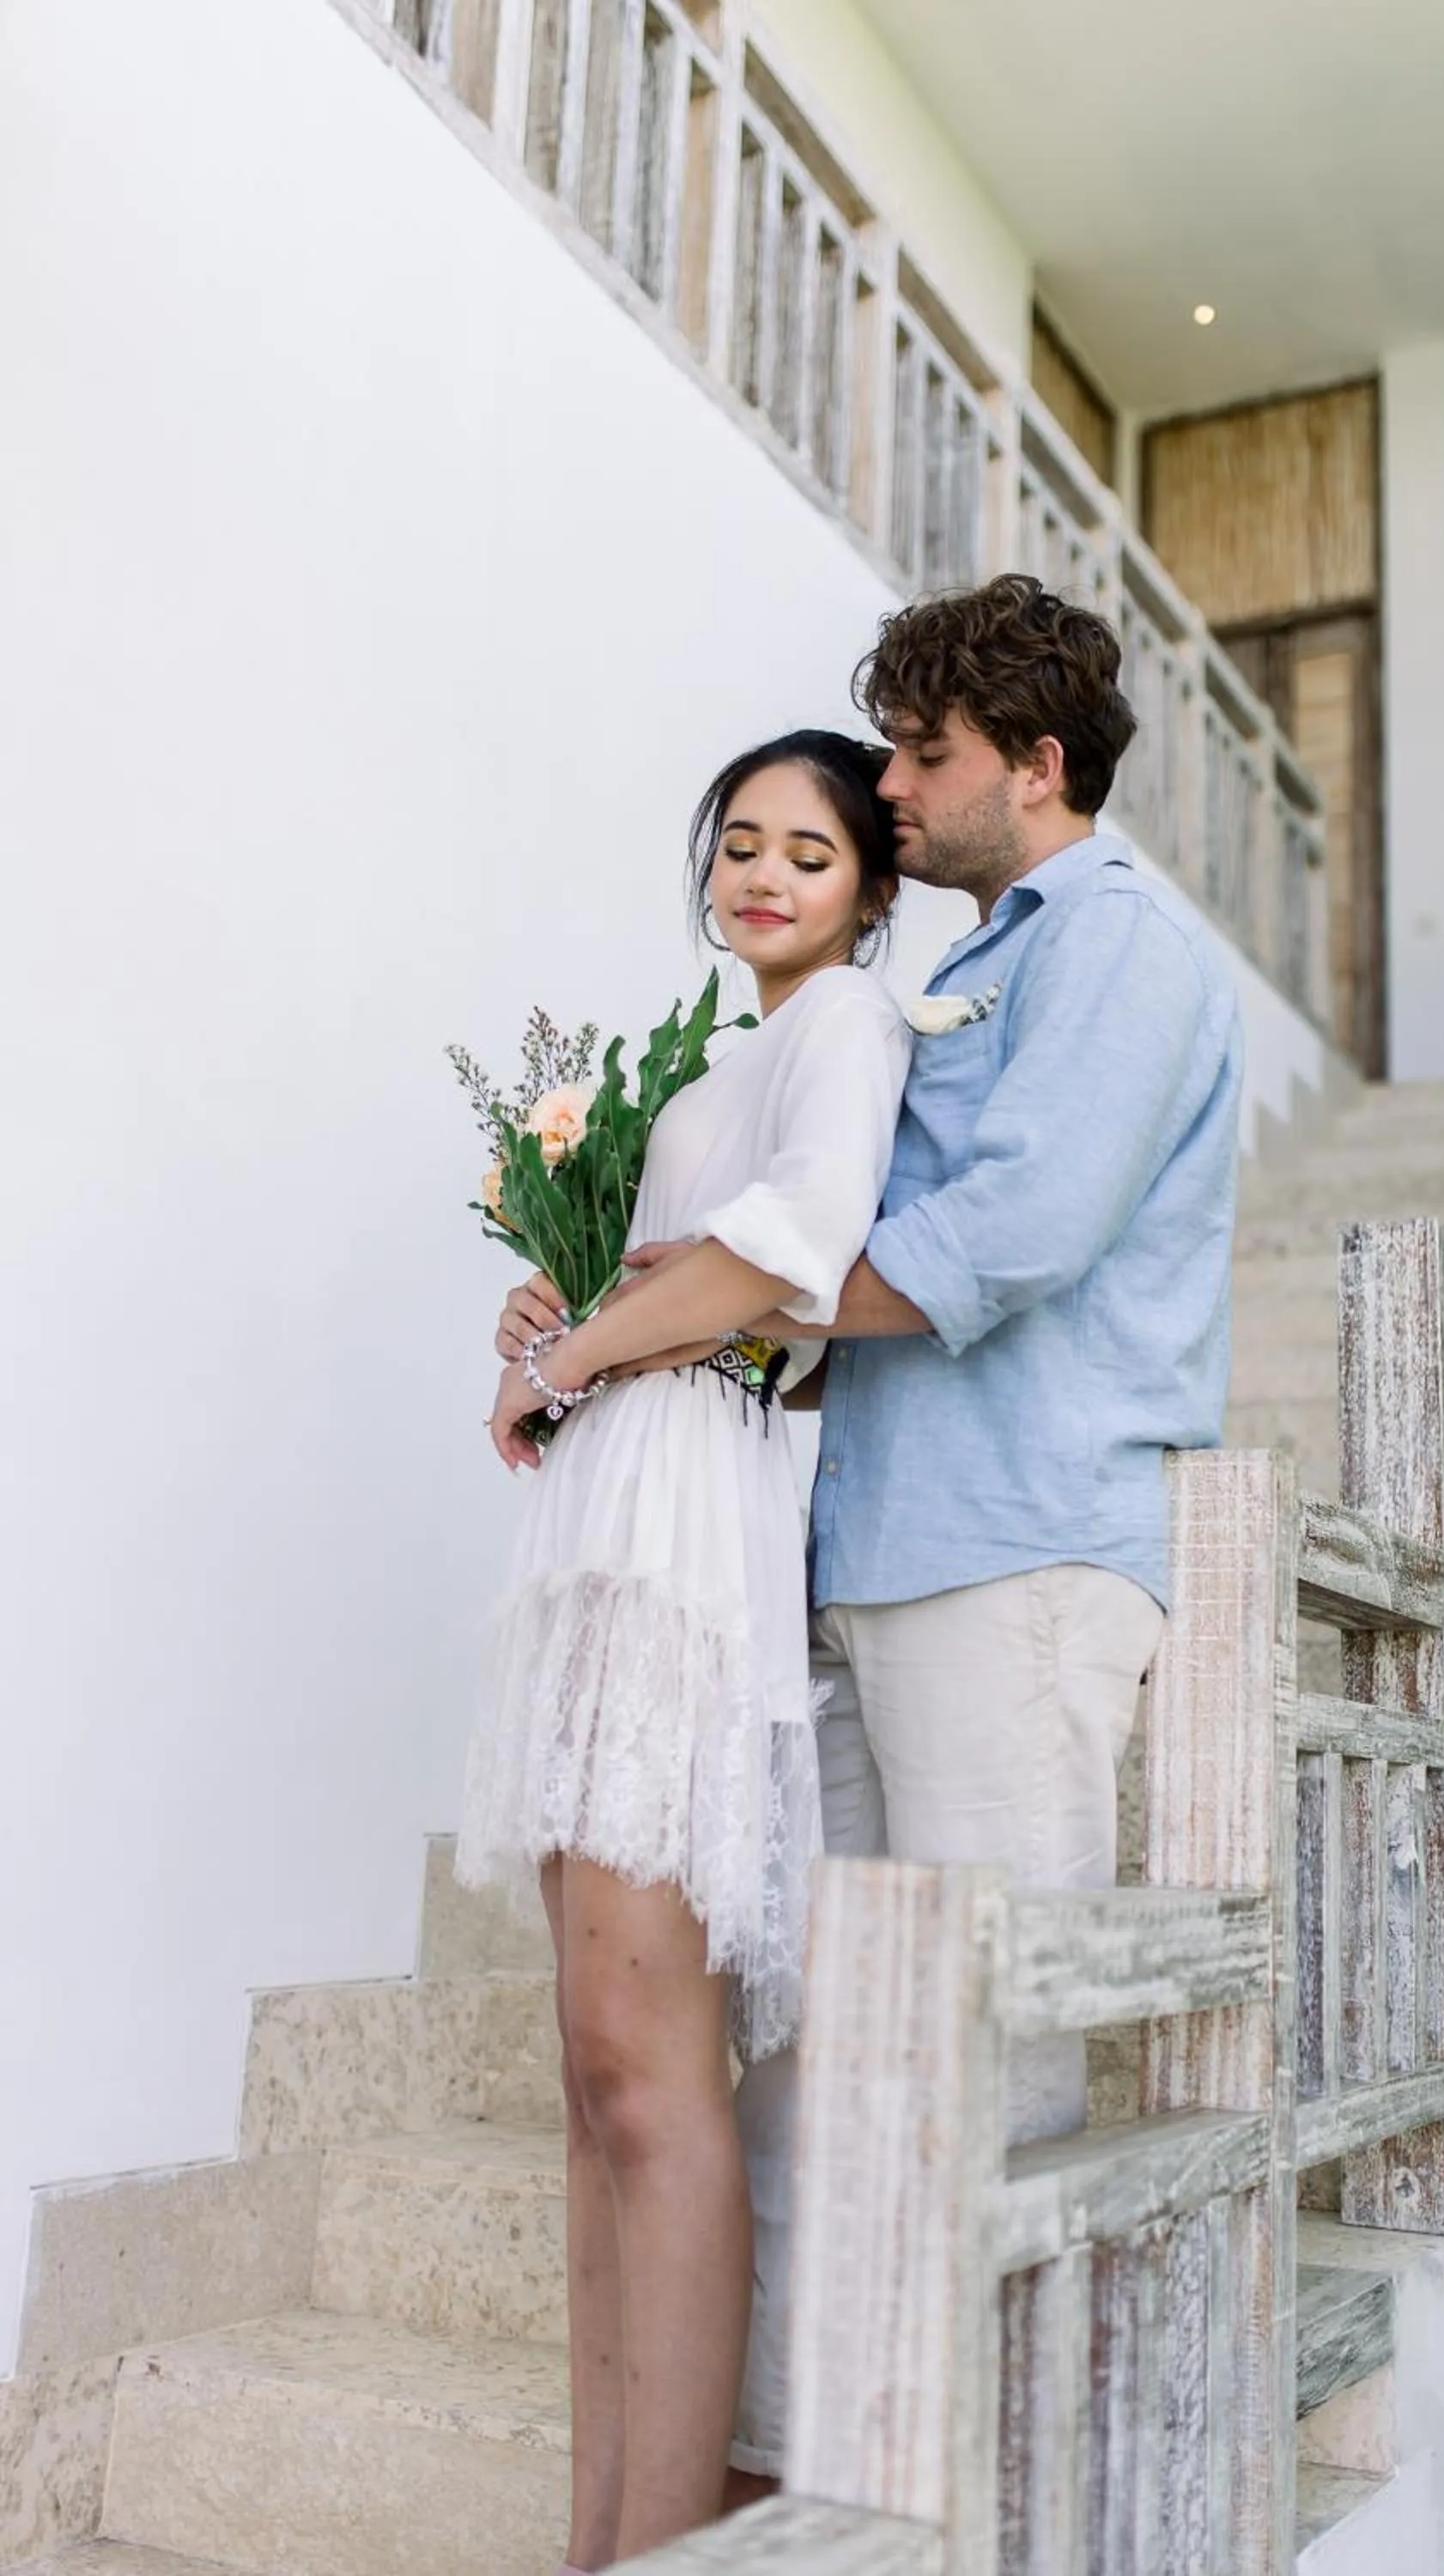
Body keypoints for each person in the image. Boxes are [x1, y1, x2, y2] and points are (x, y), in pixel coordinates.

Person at [499, 574, 1243, 2493]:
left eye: (926, 758)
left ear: (1039, 764)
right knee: (816, 2050)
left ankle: (996, 2487)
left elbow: (1005, 1240)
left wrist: (722, 1298)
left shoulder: (1127, 949)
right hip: (858, 1557)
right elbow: (837, 1287)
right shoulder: (960, 972)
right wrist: (657, 1324)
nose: (896, 792)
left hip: (1013, 1558)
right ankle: (787, 2478)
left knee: (993, 2050)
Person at [458, 730, 909, 2573]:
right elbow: (677, 1283)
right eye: (740, 842)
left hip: (692, 1530)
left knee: (651, 2070)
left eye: (809, 848)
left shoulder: (848, 1031)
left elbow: (790, 1263)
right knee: (592, 2064)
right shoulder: (716, 1064)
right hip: (609, 1507)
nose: (764, 873)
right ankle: (599, 2534)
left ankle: (663, 2550)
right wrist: (560, 1312)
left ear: (870, 888)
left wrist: (585, 1350)